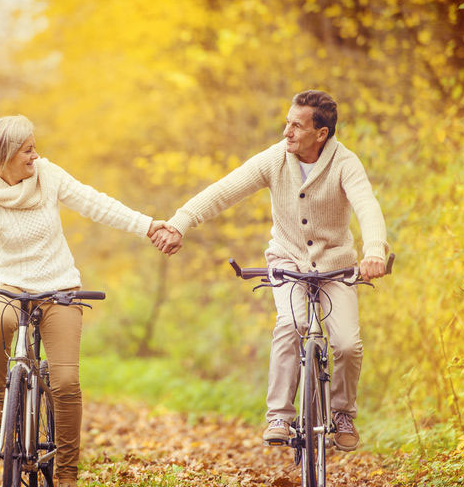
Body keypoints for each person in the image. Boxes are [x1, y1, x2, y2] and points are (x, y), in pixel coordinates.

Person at [0, 115, 167, 487]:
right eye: (28, 150)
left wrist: (147, 225)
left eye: (34, 147)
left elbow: (95, 203)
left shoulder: (48, 176)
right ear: (7, 155)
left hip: (60, 288)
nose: (36, 155)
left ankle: (66, 475)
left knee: (65, 383)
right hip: (11, 286)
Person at [151, 90, 388, 451]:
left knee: (347, 344)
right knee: (290, 325)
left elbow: (367, 207)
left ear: (321, 133)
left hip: (336, 268)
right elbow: (224, 191)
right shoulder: (276, 159)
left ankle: (342, 413)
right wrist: (180, 223)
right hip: (287, 262)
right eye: (286, 123)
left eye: (296, 125)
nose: (286, 132)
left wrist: (373, 251)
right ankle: (279, 414)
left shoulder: (345, 163)